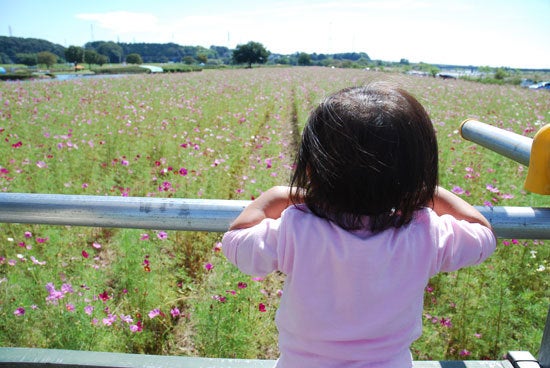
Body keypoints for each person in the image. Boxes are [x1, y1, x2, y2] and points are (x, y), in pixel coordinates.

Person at [222, 83, 496, 368]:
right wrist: (426, 193)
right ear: (416, 173)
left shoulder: (295, 229)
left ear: (312, 169)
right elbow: (483, 235)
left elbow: (237, 244)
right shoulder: (426, 233)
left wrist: (277, 197)